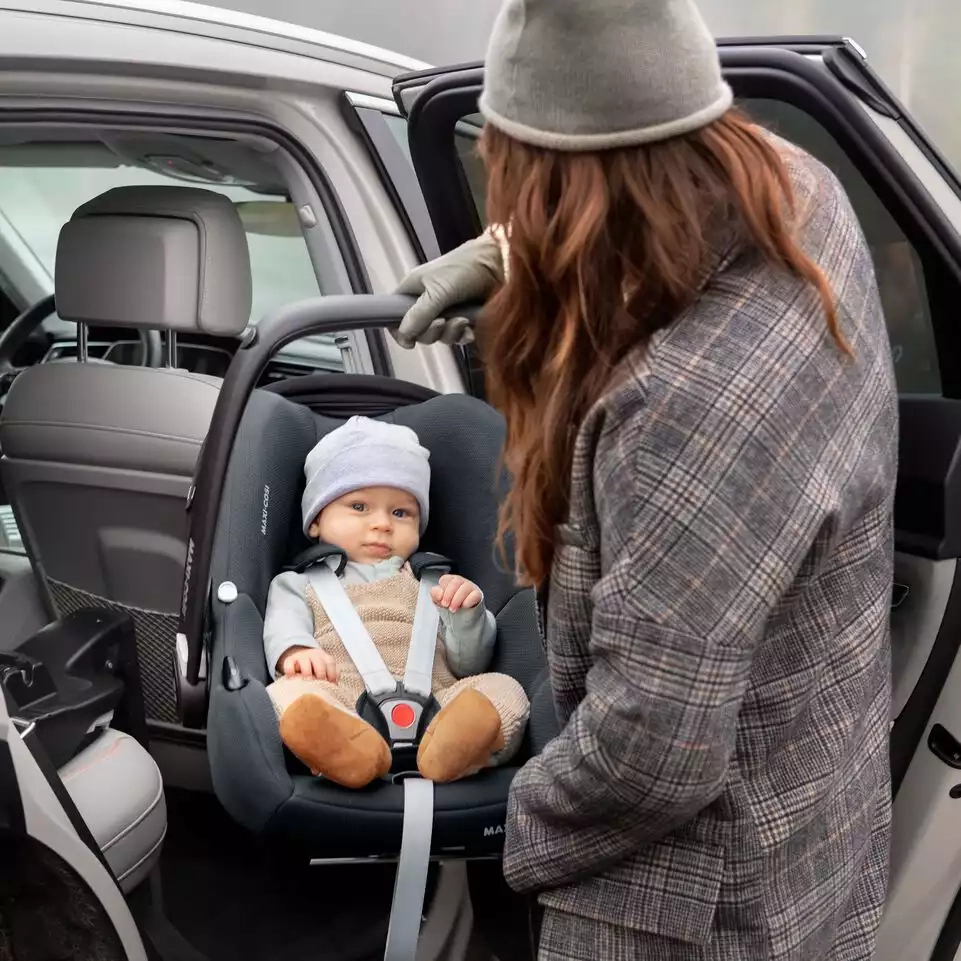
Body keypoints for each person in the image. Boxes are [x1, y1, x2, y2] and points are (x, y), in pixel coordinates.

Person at [392, 0, 897, 958]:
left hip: (693, 912)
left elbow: (648, 756)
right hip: (809, 819)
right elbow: (649, 190)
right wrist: (508, 254)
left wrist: (514, 807)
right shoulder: (806, 197)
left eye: (510, 174)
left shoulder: (681, 410)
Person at [262, 416, 530, 788]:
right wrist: (295, 651)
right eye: (359, 507)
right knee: (287, 694)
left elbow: (469, 664)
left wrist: (467, 615)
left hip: (438, 699)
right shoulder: (299, 583)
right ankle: (346, 749)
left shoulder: (435, 582)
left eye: (400, 513)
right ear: (316, 522)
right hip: (341, 694)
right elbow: (282, 624)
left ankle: (456, 747)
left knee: (503, 688)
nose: (382, 524)